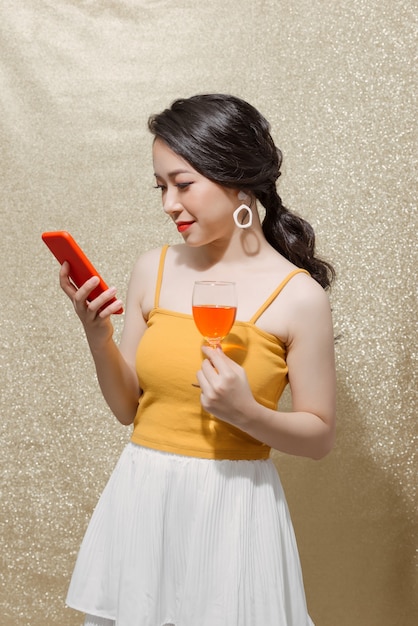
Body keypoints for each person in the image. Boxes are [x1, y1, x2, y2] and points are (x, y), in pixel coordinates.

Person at [60, 94, 336, 626]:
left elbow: (320, 436)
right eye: (161, 187)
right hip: (144, 501)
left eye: (183, 184)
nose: (169, 204)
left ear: (237, 179)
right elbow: (128, 409)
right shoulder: (153, 268)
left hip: (233, 512)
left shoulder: (298, 297)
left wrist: (246, 413)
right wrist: (98, 335)